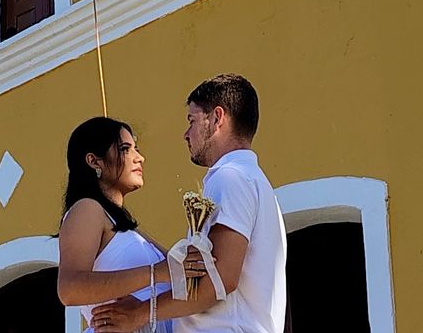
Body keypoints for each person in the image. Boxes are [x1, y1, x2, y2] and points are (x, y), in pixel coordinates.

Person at [94, 74, 287, 333]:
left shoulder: (230, 177)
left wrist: (139, 314)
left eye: (192, 121)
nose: (186, 134)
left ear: (217, 118)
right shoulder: (252, 181)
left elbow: (220, 279)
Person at [58, 116, 187, 332]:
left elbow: (174, 270)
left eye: (137, 149)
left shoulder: (127, 228)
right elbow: (69, 289)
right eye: (126, 149)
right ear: (94, 161)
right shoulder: (87, 208)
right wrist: (155, 273)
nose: (140, 158)